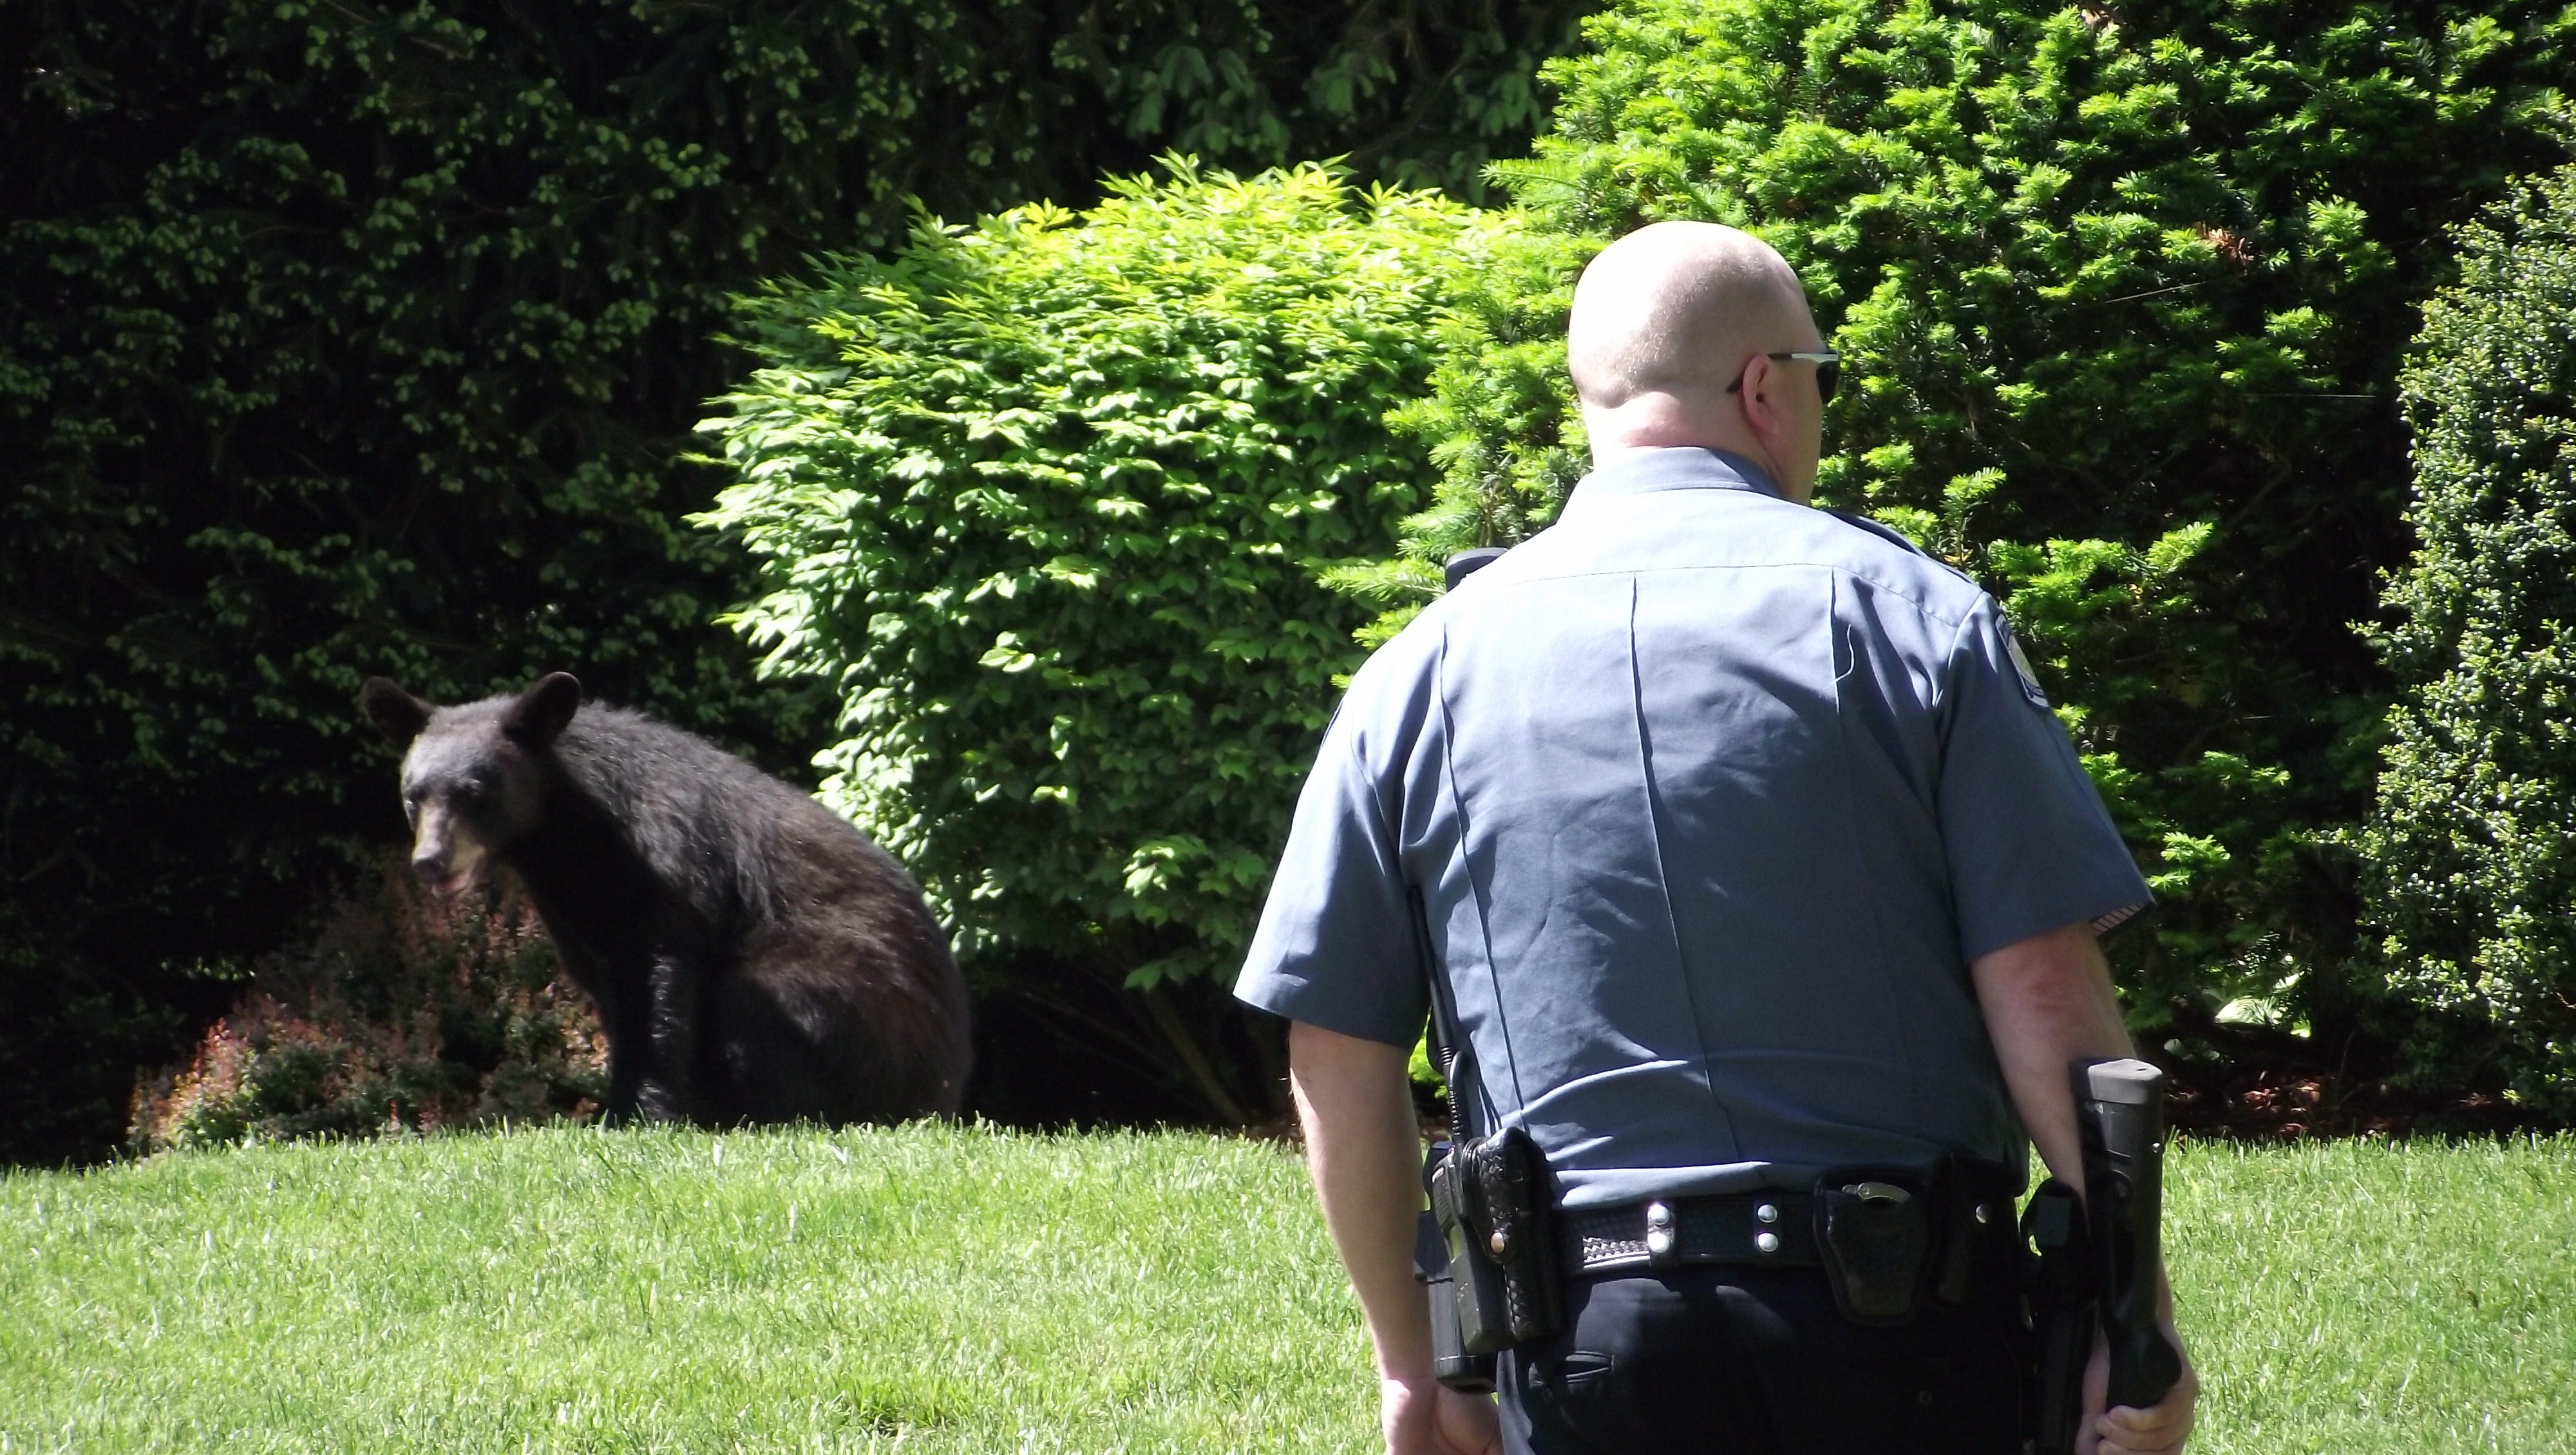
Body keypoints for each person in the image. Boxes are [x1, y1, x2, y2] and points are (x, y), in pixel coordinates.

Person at [1234, 221, 2200, 1455]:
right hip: (1901, 1340)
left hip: (1582, 1347)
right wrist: (2136, 1317)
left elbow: (1339, 1051)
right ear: (1763, 388)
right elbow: (2044, 991)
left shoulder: (1415, 673)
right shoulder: (1915, 619)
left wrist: (1414, 1370)